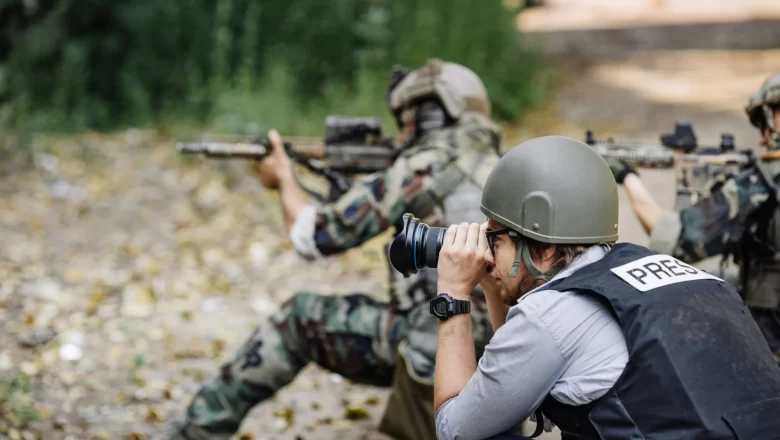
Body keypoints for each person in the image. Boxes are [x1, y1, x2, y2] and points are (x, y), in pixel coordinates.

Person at [168, 59, 500, 440]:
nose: (403, 131)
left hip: (434, 345)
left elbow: (312, 237)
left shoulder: (416, 168)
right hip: (500, 353)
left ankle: (191, 434)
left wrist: (284, 179)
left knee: (298, 319)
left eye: (407, 119)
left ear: (425, 114)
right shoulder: (508, 169)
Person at [431, 135, 780, 440]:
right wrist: (492, 283)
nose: (487, 252)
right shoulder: (667, 271)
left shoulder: (551, 316)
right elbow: (514, 374)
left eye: (495, 238)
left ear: (546, 248)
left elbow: (455, 429)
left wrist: (454, 291)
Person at [603, 71, 780, 364]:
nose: (762, 137)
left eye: (766, 121)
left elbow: (671, 239)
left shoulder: (758, 186)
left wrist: (626, 176)